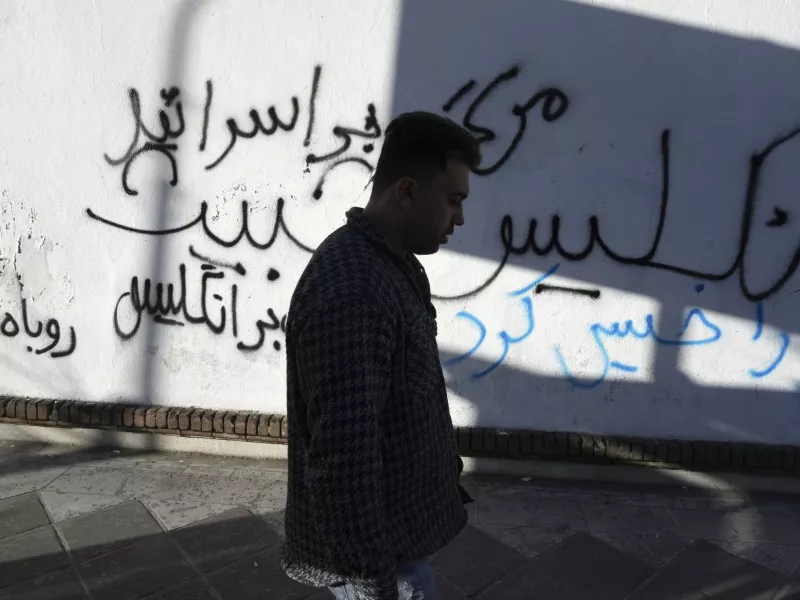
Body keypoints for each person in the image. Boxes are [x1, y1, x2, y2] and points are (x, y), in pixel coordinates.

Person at [280, 110, 481, 600]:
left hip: (397, 550)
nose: (459, 218)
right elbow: (343, 465)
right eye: (453, 200)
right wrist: (375, 588)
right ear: (407, 191)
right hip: (383, 568)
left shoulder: (389, 263)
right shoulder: (354, 289)